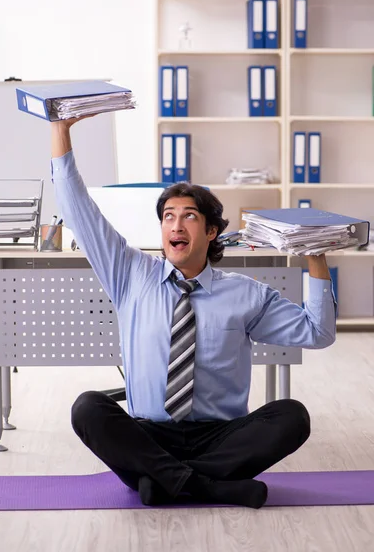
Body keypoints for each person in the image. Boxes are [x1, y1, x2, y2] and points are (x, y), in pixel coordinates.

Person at [51, 117, 336, 509]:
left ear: (211, 232)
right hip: (149, 435)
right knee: (88, 407)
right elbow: (79, 212)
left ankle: (164, 481)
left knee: (293, 415)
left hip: (220, 436)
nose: (175, 224)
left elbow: (317, 332)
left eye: (188, 215)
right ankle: (208, 487)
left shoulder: (245, 294)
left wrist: (315, 258)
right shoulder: (130, 273)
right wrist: (61, 130)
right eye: (168, 216)